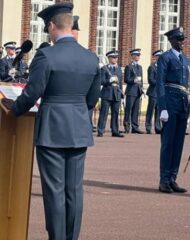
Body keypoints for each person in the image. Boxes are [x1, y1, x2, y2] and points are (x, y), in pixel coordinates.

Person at [1, 3, 101, 239]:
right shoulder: (90, 57)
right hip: (78, 129)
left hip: (52, 130)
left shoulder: (46, 55)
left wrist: (13, 110)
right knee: (74, 191)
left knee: (54, 191)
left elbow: (32, 92)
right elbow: (92, 98)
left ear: (52, 25)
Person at [156, 27, 190, 193]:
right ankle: (164, 180)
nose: (182, 42)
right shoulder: (165, 58)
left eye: (183, 39)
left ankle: (173, 178)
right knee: (168, 143)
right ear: (171, 40)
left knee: (178, 143)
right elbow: (160, 83)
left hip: (182, 103)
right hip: (169, 102)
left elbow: (185, 85)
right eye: (179, 39)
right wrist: (162, 108)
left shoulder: (185, 60)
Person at [97, 50, 124, 137]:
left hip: (116, 94)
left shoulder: (119, 69)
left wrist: (121, 93)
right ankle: (100, 130)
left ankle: (115, 130)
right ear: (109, 58)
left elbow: (120, 83)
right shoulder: (104, 69)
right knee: (104, 113)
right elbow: (101, 81)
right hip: (107, 93)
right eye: (113, 57)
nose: (115, 59)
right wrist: (109, 81)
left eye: (116, 57)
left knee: (115, 113)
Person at [124, 48, 145, 134]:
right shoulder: (128, 67)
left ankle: (135, 127)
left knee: (136, 110)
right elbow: (126, 79)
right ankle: (127, 126)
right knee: (129, 109)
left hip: (138, 90)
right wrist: (133, 80)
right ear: (132, 56)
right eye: (136, 55)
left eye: (139, 55)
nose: (138, 57)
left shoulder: (139, 67)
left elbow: (141, 79)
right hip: (131, 90)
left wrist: (142, 88)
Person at [145, 49, 163, 134]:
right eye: (158, 56)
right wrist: (159, 82)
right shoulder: (151, 67)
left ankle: (158, 127)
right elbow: (150, 80)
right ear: (155, 57)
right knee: (150, 110)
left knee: (158, 111)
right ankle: (148, 126)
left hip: (160, 93)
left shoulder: (163, 67)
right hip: (153, 92)